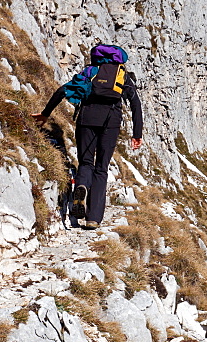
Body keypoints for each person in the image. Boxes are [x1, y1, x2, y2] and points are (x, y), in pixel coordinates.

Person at [32, 44, 143, 229]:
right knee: (101, 168)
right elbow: (136, 104)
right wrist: (136, 134)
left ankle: (82, 186)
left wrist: (45, 114)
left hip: (86, 119)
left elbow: (63, 90)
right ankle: (93, 218)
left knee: (85, 162)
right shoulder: (122, 76)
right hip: (111, 122)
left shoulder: (90, 71)